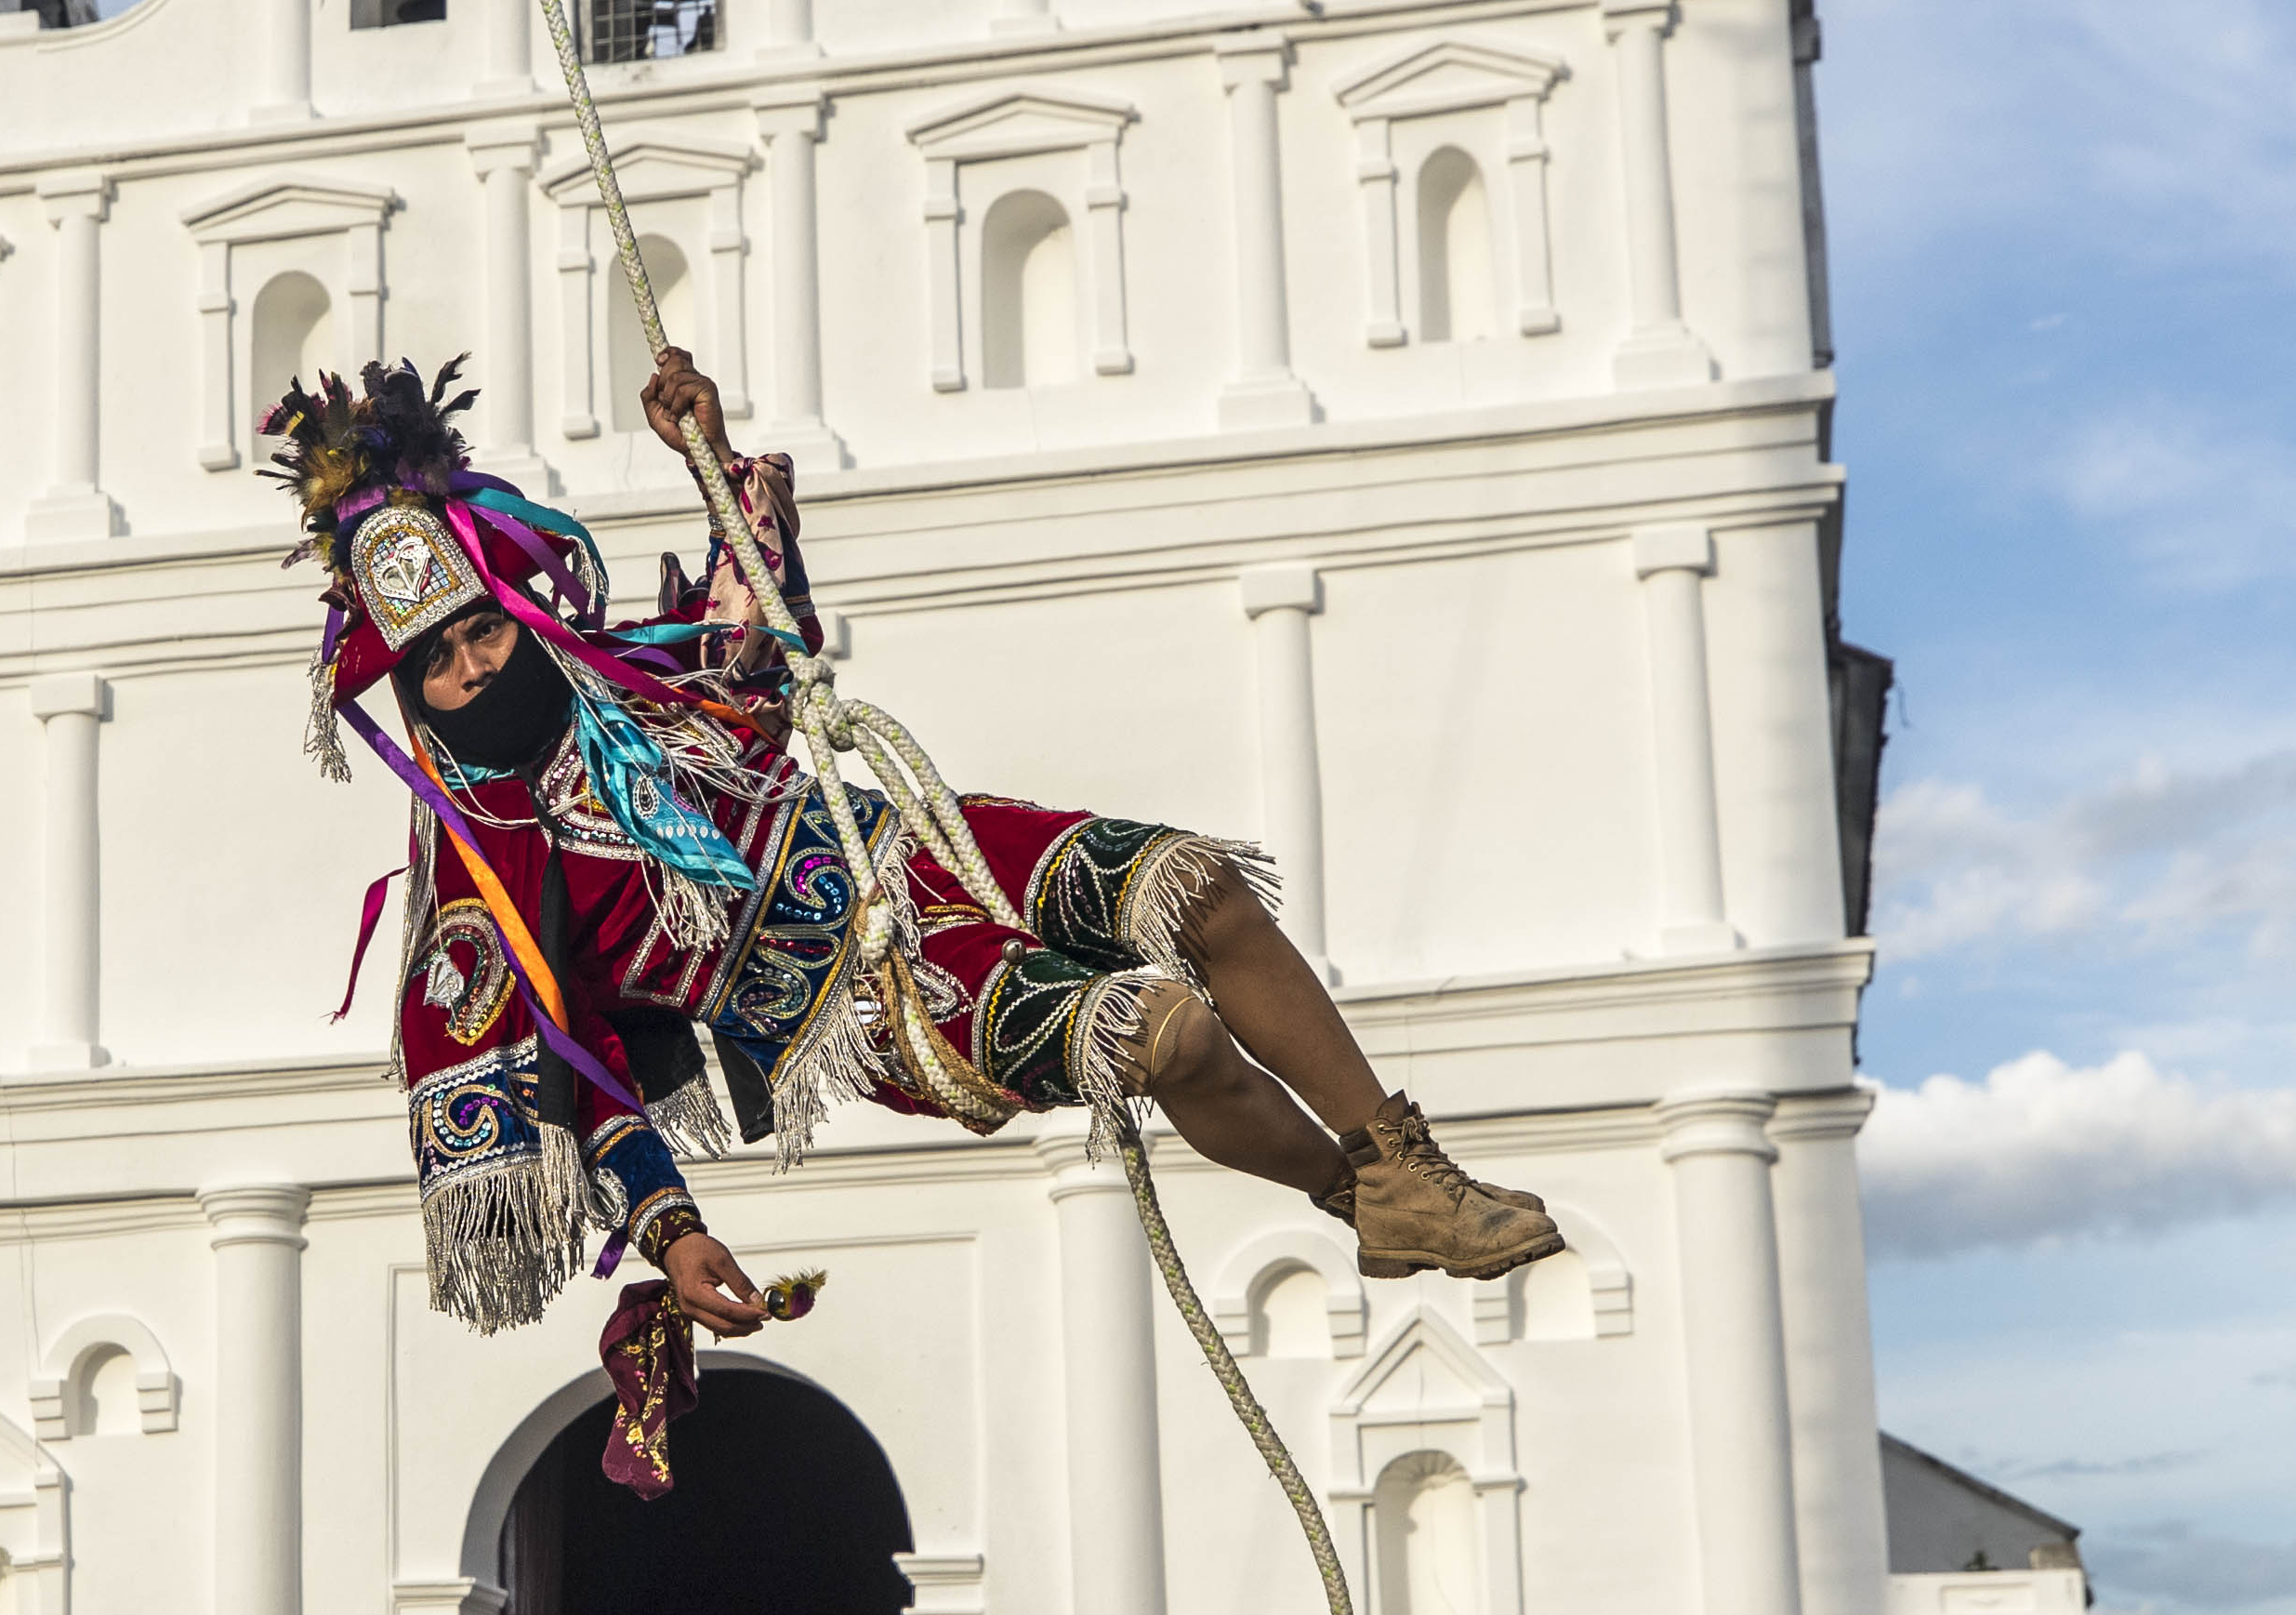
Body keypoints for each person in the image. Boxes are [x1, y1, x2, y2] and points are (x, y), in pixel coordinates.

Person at [281, 345, 1563, 1371]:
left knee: (1193, 884)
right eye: (436, 663)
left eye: (480, 635)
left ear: (513, 612)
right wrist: (670, 1232)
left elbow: (757, 648)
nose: (470, 669)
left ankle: (1403, 1165)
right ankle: (1351, 1199)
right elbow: (578, 1076)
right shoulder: (484, 879)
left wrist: (711, 461)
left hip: (916, 846)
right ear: (409, 693)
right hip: (867, 1002)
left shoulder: (627, 681)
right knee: (1165, 1037)